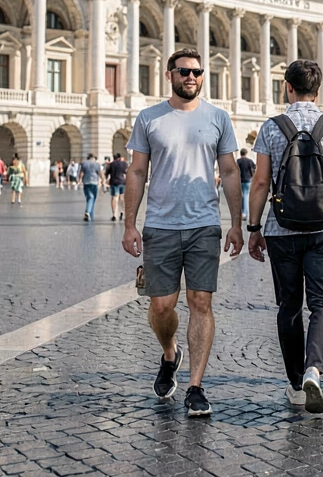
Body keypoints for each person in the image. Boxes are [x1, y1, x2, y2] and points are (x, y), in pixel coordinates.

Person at [121, 49, 243, 419]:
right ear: (169, 75)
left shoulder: (218, 117)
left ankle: (195, 387)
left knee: (201, 302)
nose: (192, 77)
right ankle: (170, 353)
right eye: (184, 71)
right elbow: (137, 171)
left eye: (197, 72)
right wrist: (129, 223)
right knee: (161, 306)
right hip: (160, 224)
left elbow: (230, 171)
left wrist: (236, 223)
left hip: (204, 223)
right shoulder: (149, 118)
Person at [246, 59, 323, 414]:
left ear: (288, 87)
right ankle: (314, 369)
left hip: (281, 228)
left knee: (289, 305)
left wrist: (253, 228)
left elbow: (261, 182)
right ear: (319, 90)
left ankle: (296, 383)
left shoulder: (271, 127)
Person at [107, 153, 129, 222]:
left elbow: (107, 173)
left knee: (114, 197)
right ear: (119, 157)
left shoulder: (111, 164)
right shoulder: (124, 164)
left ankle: (114, 214)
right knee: (122, 197)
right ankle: (122, 212)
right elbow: (127, 172)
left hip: (114, 182)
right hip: (122, 182)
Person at [80, 152, 102, 222]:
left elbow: (81, 173)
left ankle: (90, 212)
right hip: (94, 182)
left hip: (86, 181)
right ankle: (88, 212)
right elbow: (100, 173)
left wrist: (79, 180)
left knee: (89, 197)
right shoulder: (96, 164)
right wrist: (103, 180)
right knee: (92, 197)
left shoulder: (83, 163)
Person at [236, 148, 256, 221]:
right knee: (246, 196)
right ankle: (246, 213)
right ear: (246, 153)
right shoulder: (249, 161)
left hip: (240, 180)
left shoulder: (238, 161)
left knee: (242, 196)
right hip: (248, 180)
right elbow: (254, 168)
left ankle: (243, 213)